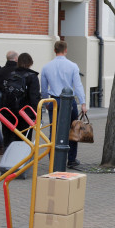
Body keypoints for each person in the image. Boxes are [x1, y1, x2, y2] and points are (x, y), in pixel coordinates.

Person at [41, 40, 86, 168]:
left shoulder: (46, 67)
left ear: (54, 50)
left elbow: (43, 88)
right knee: (73, 129)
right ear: (66, 50)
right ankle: (71, 159)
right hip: (69, 101)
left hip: (54, 100)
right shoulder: (72, 66)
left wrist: (46, 102)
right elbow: (77, 85)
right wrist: (82, 102)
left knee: (53, 131)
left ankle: (53, 159)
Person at [1, 53, 41, 148]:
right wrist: (36, 114)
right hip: (25, 113)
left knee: (10, 139)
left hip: (9, 112)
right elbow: (34, 97)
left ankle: (10, 160)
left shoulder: (11, 74)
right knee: (24, 139)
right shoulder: (32, 76)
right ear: (30, 63)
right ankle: (23, 161)